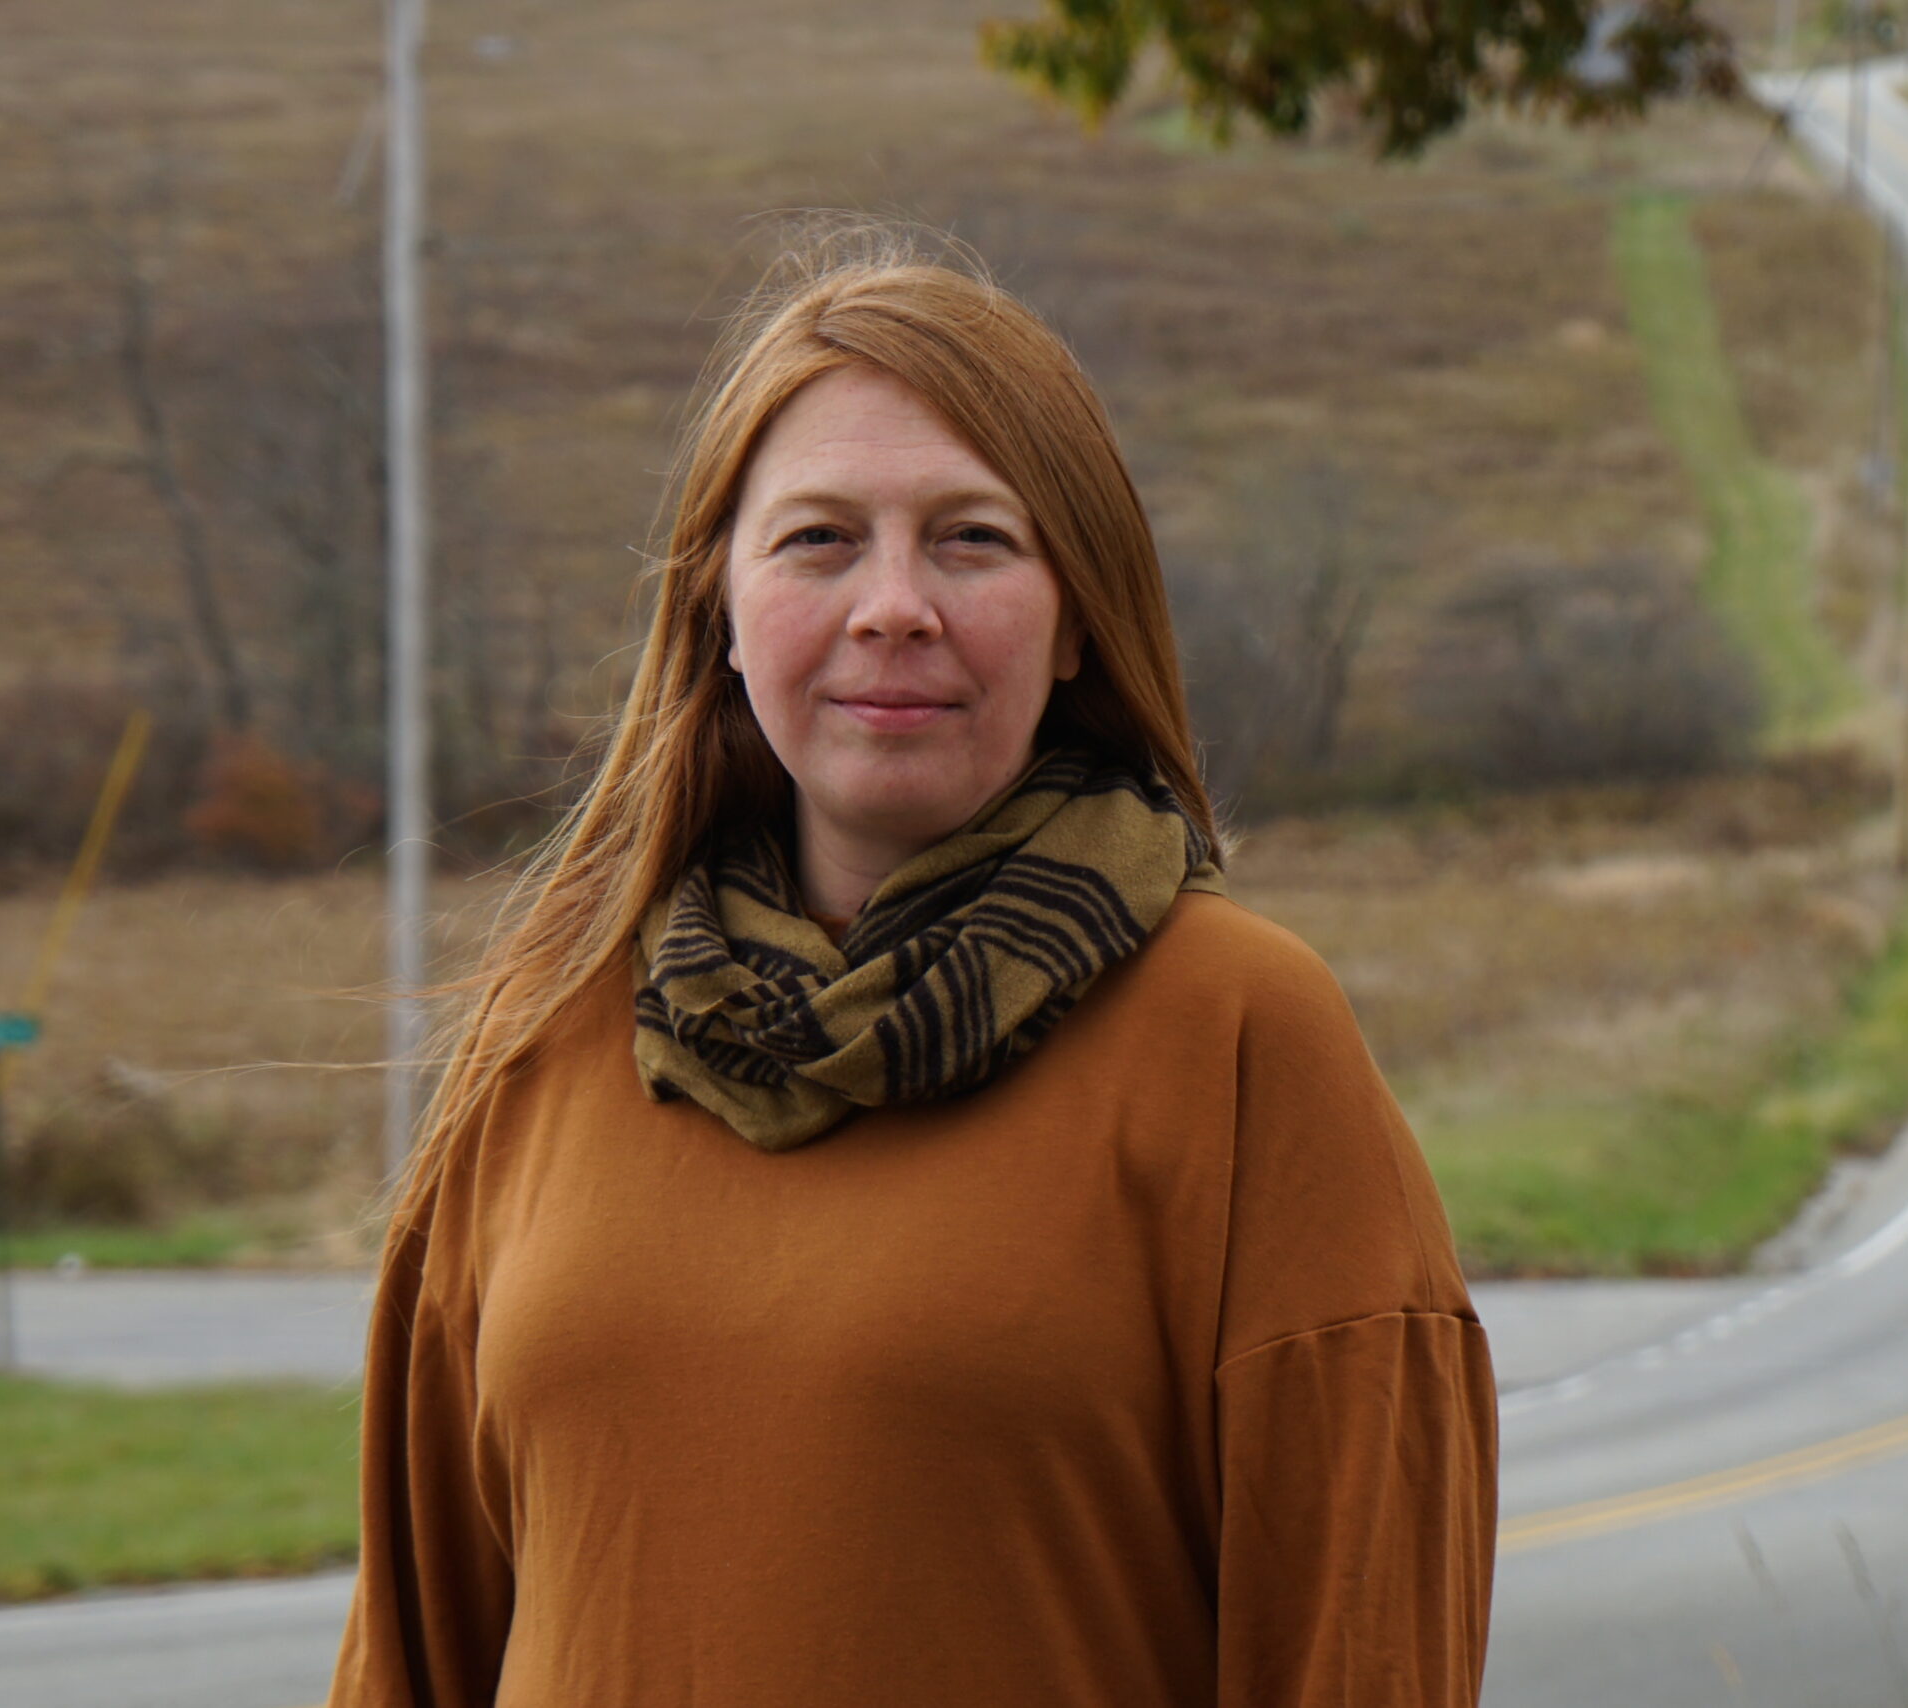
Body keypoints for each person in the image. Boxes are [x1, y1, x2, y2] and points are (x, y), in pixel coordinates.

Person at [327, 227, 1498, 1708]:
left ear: (1076, 616)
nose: (895, 604)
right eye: (819, 539)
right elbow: (412, 1663)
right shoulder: (545, 1042)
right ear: (719, 611)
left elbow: (1363, 1659)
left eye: (972, 539)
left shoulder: (1244, 1040)